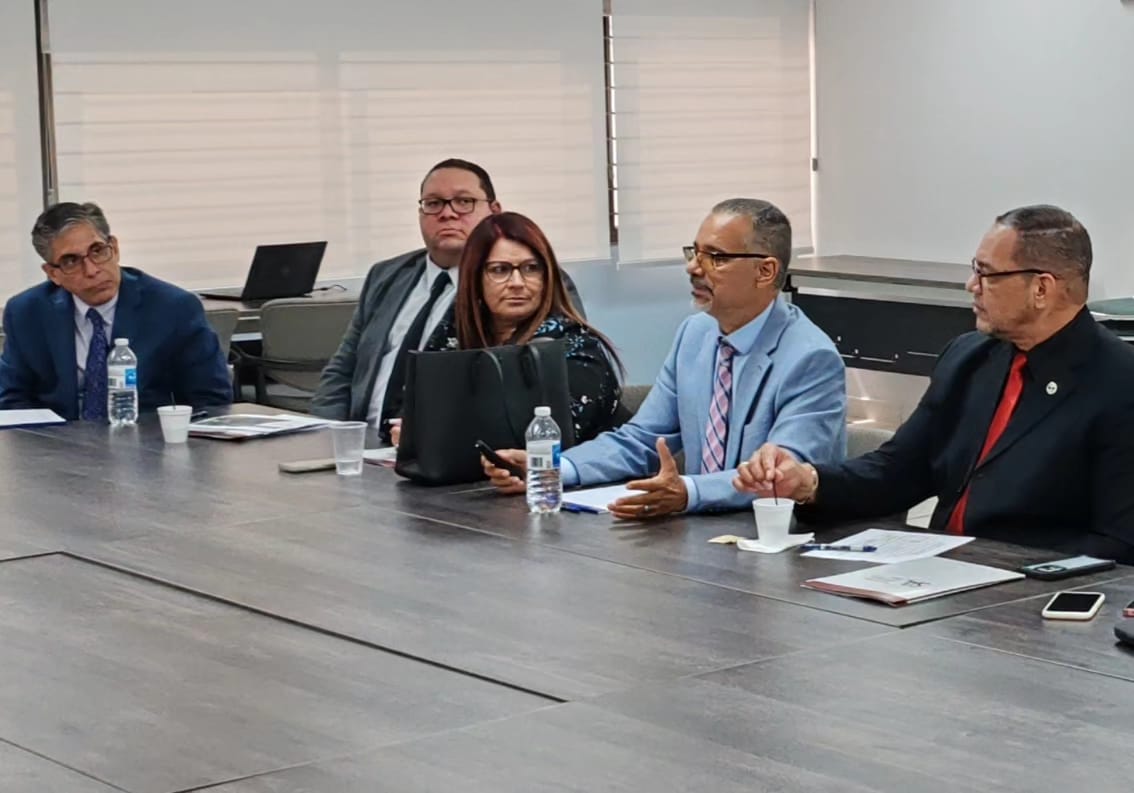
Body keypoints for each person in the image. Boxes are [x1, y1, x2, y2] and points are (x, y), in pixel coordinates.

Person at [735, 204, 1134, 563]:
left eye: (986, 274)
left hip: (1032, 595)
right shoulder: (970, 358)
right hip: (940, 577)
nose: (971, 285)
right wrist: (809, 482)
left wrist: (999, 566)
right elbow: (899, 471)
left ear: (1041, 289)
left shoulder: (1119, 382)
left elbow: (1120, 543)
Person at [482, 198, 847, 518]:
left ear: (765, 271)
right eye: (695, 252)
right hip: (702, 536)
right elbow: (642, 439)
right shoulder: (695, 334)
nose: (693, 268)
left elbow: (781, 476)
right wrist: (552, 468)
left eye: (716, 258)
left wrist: (689, 492)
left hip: (775, 542)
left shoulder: (810, 358)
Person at [310, 158, 585, 440]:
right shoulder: (387, 276)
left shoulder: (529, 284)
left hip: (448, 446)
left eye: (464, 202)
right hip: (360, 443)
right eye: (433, 204)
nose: (448, 214)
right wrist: (327, 436)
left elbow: (556, 387)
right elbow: (343, 370)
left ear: (494, 211)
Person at [388, 212, 620, 445]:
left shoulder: (575, 345)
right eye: (500, 270)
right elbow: (413, 406)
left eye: (531, 268)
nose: (517, 283)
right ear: (474, 278)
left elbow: (552, 437)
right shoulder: (455, 332)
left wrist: (437, 434)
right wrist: (407, 429)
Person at [0, 202, 232, 420]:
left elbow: (211, 402)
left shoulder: (173, 308)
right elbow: (11, 399)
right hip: (58, 443)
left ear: (115, 248)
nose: (92, 270)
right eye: (71, 261)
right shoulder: (26, 313)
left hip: (148, 442)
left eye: (98, 251)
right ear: (53, 274)